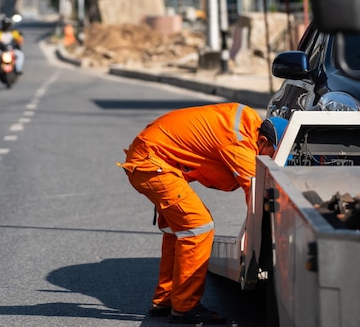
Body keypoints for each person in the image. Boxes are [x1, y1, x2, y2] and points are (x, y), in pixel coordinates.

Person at [117, 103, 288, 324]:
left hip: (152, 156)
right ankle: (186, 308)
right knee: (198, 227)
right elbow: (255, 192)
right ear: (263, 141)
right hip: (152, 163)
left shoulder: (246, 124)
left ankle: (165, 300)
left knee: (176, 231)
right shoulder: (239, 143)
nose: (271, 162)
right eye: (272, 155)